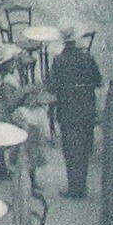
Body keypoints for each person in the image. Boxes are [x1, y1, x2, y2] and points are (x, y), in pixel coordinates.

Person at [47, 25, 103, 198]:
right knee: (85, 147)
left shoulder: (58, 60)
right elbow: (98, 81)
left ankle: (74, 187)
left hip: (68, 110)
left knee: (70, 150)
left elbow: (52, 86)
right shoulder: (88, 58)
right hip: (86, 108)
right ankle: (82, 186)